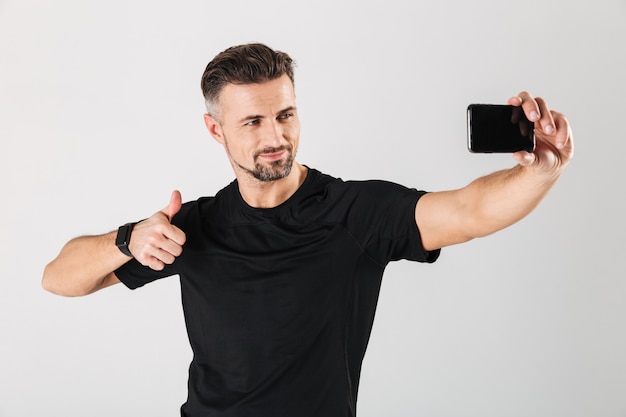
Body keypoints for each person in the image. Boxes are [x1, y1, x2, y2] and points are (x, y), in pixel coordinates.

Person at [42, 43, 574, 416]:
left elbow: (469, 213)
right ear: (215, 129)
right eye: (252, 122)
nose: (275, 136)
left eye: (286, 115)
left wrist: (542, 168)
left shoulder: (356, 211)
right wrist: (127, 238)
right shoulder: (191, 227)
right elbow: (59, 277)